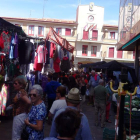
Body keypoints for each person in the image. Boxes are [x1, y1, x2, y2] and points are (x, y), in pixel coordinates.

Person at [10, 76, 31, 140]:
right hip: (21, 115)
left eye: (16, 84)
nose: (14, 85)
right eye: (14, 83)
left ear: (21, 85)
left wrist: (24, 108)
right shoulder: (22, 91)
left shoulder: (20, 92)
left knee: (16, 136)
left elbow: (29, 102)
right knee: (18, 134)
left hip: (19, 116)